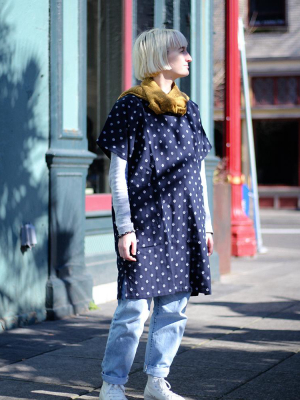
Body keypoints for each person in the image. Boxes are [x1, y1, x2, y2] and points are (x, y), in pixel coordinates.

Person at [96, 28, 214, 400]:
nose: (189, 57)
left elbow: (197, 172)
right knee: (133, 309)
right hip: (145, 222)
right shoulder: (130, 105)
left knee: (175, 309)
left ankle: (156, 382)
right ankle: (112, 383)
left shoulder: (188, 108)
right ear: (162, 56)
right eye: (182, 50)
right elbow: (117, 173)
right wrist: (124, 227)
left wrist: (207, 225)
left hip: (185, 222)